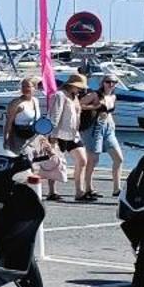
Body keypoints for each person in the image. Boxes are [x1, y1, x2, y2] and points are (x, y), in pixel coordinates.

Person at [48, 73, 89, 202]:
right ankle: (52, 191)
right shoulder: (60, 95)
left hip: (73, 134)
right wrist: (52, 135)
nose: (81, 90)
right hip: (60, 134)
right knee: (56, 163)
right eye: (79, 87)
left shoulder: (75, 96)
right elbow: (55, 115)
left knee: (82, 160)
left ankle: (79, 191)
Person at [87, 74, 126, 198]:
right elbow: (78, 104)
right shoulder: (94, 95)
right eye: (108, 81)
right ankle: (88, 188)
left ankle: (116, 189)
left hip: (109, 129)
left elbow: (108, 112)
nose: (111, 84)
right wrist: (94, 107)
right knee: (93, 160)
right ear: (103, 83)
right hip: (95, 128)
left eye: (114, 82)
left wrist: (112, 123)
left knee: (118, 159)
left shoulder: (113, 97)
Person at [5, 77, 42, 153]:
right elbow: (8, 123)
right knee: (25, 161)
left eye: (28, 86)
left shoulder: (35, 101)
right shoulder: (16, 103)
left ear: (35, 87)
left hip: (34, 137)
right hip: (20, 137)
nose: (25, 88)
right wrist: (6, 140)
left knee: (36, 162)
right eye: (23, 86)